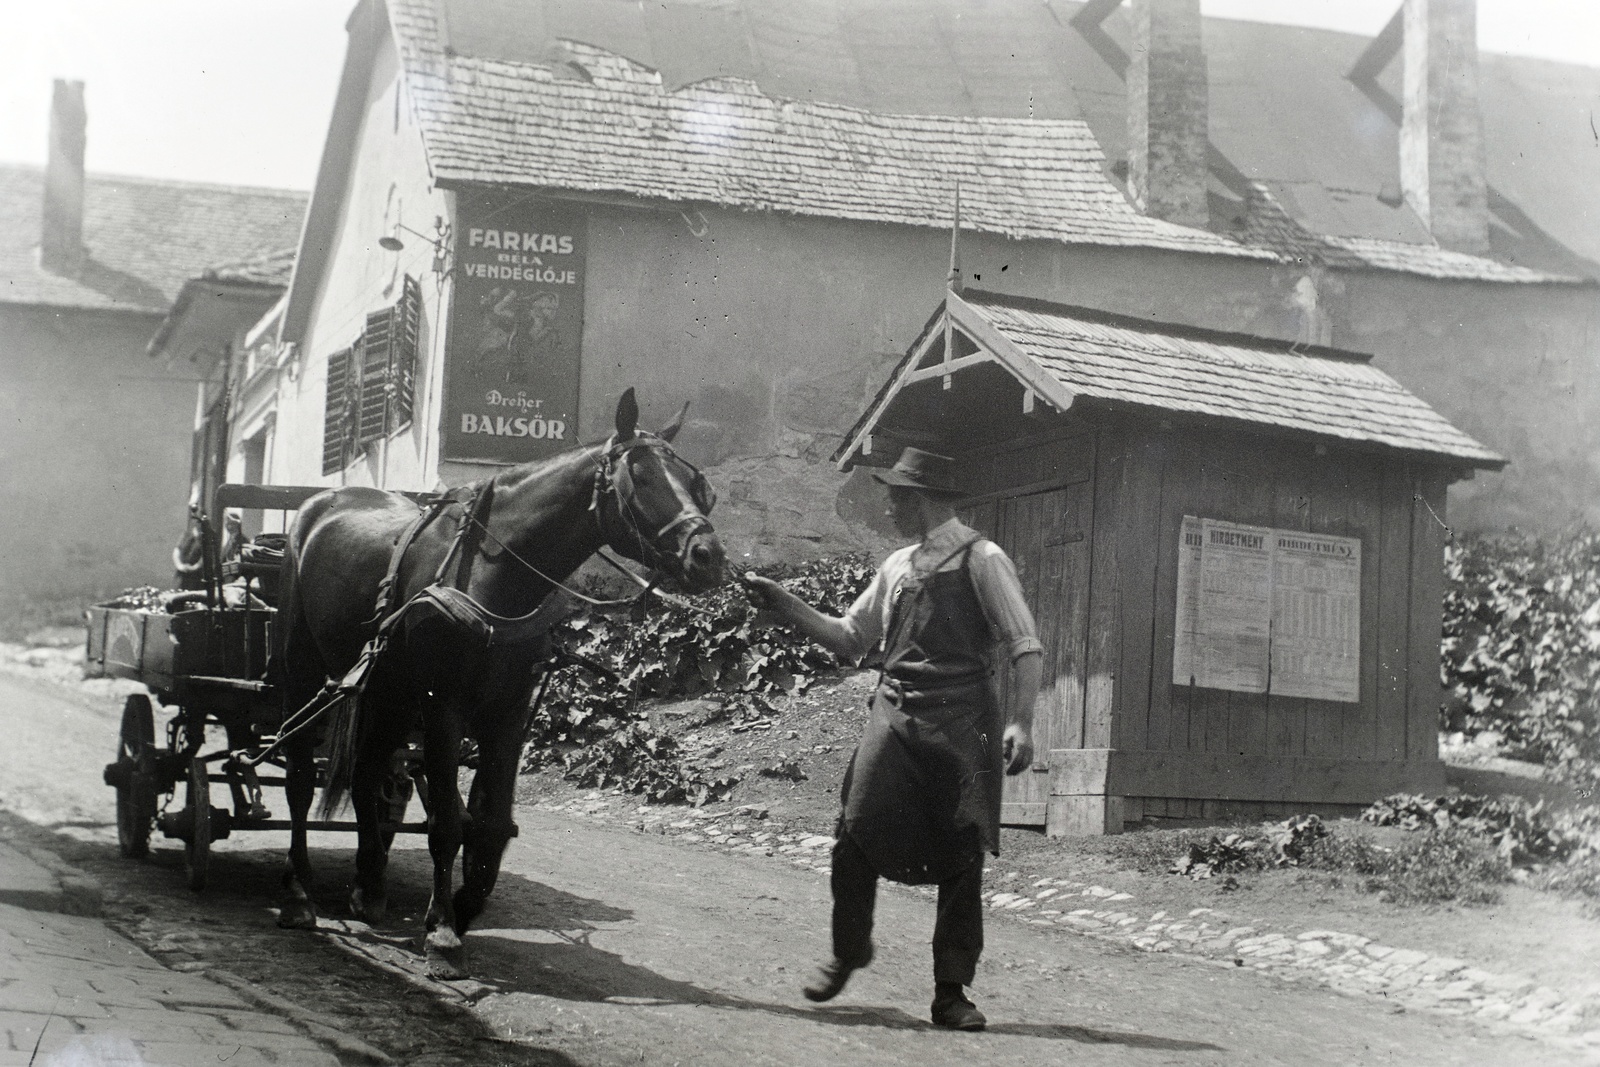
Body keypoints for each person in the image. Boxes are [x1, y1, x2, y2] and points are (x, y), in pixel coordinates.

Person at [742, 446, 1043, 1031]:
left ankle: (950, 994)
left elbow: (1025, 646)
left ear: (922, 497)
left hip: (963, 721)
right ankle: (849, 949)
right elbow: (851, 639)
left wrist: (1020, 723)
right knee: (854, 832)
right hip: (897, 714)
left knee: (962, 852)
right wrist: (783, 603)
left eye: (896, 495)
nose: (889, 505)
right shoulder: (899, 566)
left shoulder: (984, 559)